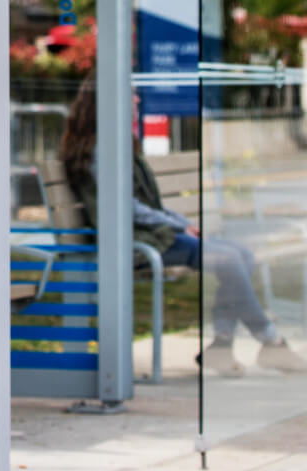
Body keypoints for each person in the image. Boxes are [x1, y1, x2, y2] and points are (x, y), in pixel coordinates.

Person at [60, 73, 307, 375]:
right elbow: (124, 208)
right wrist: (176, 225)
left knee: (242, 254)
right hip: (135, 241)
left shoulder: (112, 142)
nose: (137, 100)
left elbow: (143, 206)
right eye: (132, 94)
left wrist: (179, 223)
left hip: (149, 233)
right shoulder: (103, 150)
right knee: (229, 258)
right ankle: (271, 342)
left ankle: (222, 346)